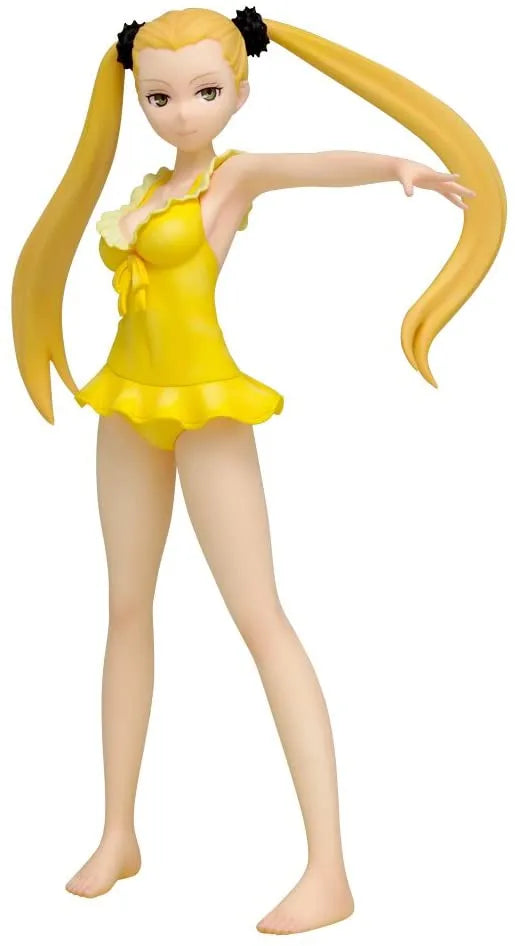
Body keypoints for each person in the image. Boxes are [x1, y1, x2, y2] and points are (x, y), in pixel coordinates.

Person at [11, 5, 505, 935]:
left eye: (204, 92)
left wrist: (395, 167)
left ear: (239, 92)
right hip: (127, 406)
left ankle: (328, 868)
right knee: (125, 610)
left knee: (261, 619)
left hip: (207, 412)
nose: (180, 112)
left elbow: (314, 165)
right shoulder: (147, 188)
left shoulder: (230, 178)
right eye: (159, 96)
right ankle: (118, 832)